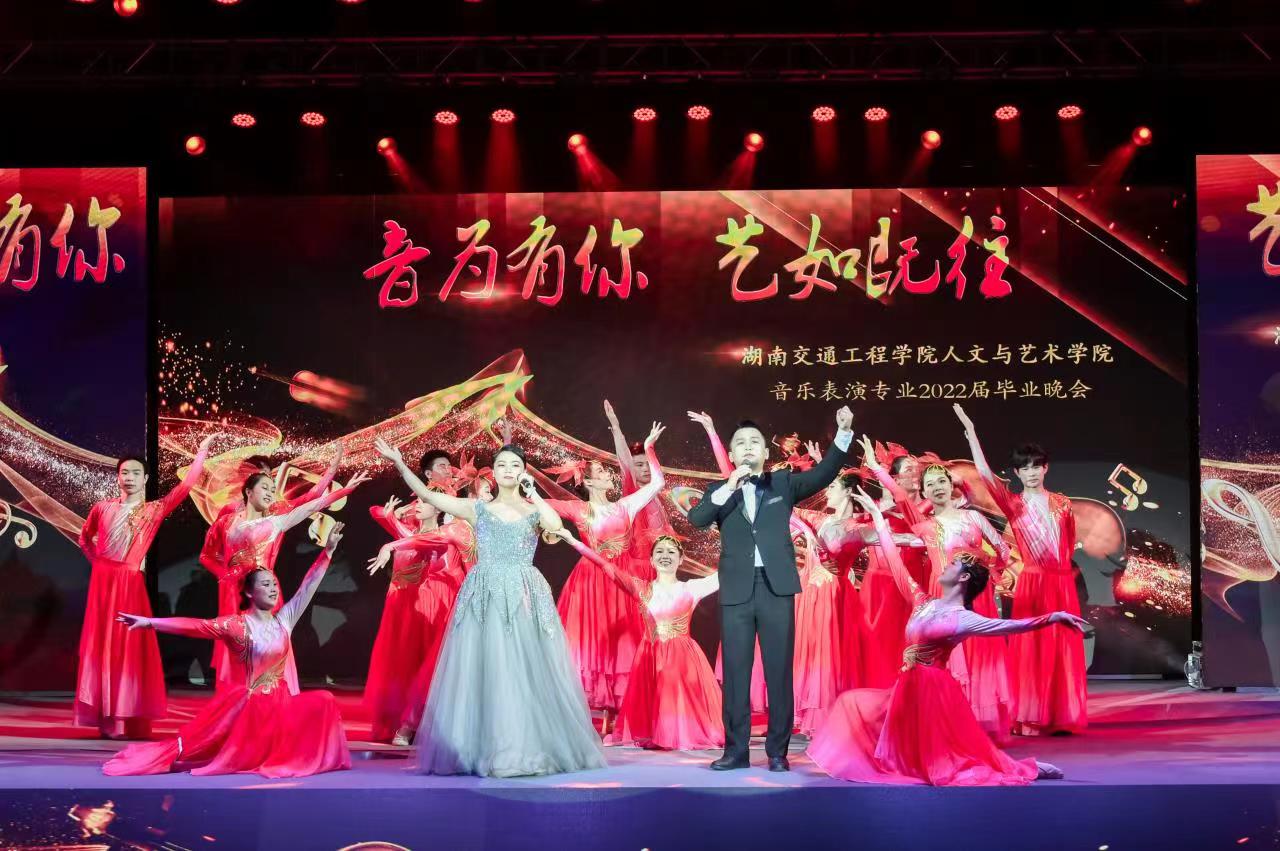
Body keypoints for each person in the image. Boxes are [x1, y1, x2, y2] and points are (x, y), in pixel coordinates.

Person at [808, 491, 1089, 787]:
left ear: (964, 578)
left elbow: (1009, 626)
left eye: (954, 565)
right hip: (907, 686)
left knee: (948, 759)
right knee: (852, 703)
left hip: (934, 692)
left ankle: (1025, 767)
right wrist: (878, 517)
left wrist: (1053, 617)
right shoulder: (922, 601)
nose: (946, 565)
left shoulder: (962, 619)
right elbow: (895, 562)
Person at [374, 437, 606, 777]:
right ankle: (482, 746)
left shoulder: (533, 509)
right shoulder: (477, 509)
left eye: (515, 465)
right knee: (484, 666)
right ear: (494, 473)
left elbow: (556, 527)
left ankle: (523, 743)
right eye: (502, 465)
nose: (508, 470)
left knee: (523, 666)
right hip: (484, 590)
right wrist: (399, 462)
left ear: (523, 471)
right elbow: (428, 495)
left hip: (524, 591)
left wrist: (534, 494)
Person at [104, 525, 352, 778]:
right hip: (252, 707)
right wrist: (149, 622)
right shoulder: (236, 625)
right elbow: (194, 626)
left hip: (281, 704)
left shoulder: (284, 620)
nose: (273, 589)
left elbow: (307, 587)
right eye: (266, 584)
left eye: (274, 584)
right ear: (249, 591)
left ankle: (294, 755)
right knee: (200, 749)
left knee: (325, 699)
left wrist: (328, 552)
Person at [687, 406, 854, 772]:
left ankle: (778, 752)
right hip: (736, 591)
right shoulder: (720, 490)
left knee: (778, 671)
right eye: (740, 443)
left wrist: (843, 433)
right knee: (736, 673)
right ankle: (736, 752)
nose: (748, 447)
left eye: (754, 442)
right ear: (731, 455)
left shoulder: (782, 483)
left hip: (776, 588)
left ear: (765, 452)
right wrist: (728, 486)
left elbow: (824, 473)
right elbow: (697, 518)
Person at [862, 435, 1015, 741]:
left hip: (975, 595)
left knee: (978, 653)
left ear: (950, 484)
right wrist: (877, 468)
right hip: (942, 596)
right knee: (948, 657)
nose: (937, 487)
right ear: (925, 491)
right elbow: (901, 498)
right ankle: (951, 722)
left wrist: (984, 569)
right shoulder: (925, 525)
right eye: (930, 484)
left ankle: (978, 724)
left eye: (941, 481)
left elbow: (1003, 550)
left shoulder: (974, 517)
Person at [954, 404, 1088, 736]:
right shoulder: (1013, 503)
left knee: (1062, 645)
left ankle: (1060, 715)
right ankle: (1030, 716)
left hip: (1061, 583)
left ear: (1045, 468)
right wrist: (971, 432)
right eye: (1025, 468)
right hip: (1033, 583)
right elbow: (985, 474)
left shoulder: (1062, 503)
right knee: (1032, 647)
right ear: (1016, 473)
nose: (1031, 473)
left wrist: (1062, 573)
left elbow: (1069, 541)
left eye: (1036, 466)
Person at [75, 436, 213, 739]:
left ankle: (126, 718)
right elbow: (85, 538)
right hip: (102, 584)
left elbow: (185, 487)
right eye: (124, 472)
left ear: (146, 479)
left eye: (135, 473)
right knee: (102, 646)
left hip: (129, 584)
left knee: (127, 647)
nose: (129, 477)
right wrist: (99, 564)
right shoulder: (102, 508)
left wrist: (201, 452)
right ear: (117, 477)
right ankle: (106, 719)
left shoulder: (154, 509)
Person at [553, 528, 724, 751]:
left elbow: (725, 573)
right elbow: (606, 566)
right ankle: (658, 732)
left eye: (671, 552)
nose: (665, 555)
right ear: (651, 560)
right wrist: (573, 541)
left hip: (681, 655)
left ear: (681, 559)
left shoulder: (691, 588)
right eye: (659, 551)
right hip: (650, 654)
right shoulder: (642, 588)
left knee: (676, 693)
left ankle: (677, 733)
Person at [543, 424, 667, 729]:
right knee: (594, 644)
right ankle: (585, 718)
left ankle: (619, 716)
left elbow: (658, 483)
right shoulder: (578, 508)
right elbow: (540, 504)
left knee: (623, 645)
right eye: (600, 471)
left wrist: (649, 447)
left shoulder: (625, 506)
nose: (607, 474)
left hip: (622, 580)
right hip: (591, 582)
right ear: (587, 481)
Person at [199, 445, 346, 687]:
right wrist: (226, 575)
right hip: (233, 589)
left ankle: (271, 692)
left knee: (271, 640)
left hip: (265, 584)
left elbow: (313, 496)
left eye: (268, 477)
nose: (267, 484)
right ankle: (236, 696)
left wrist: (333, 467)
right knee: (235, 641)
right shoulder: (228, 514)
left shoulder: (277, 510)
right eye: (259, 477)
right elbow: (208, 555)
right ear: (247, 483)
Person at [366, 501, 478, 746]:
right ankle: (408, 724)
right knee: (420, 663)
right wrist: (395, 519)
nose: (418, 504)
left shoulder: (462, 528)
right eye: (417, 500)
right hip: (419, 601)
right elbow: (378, 513)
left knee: (444, 666)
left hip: (452, 600)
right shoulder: (434, 530)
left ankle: (431, 726)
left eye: (425, 501)